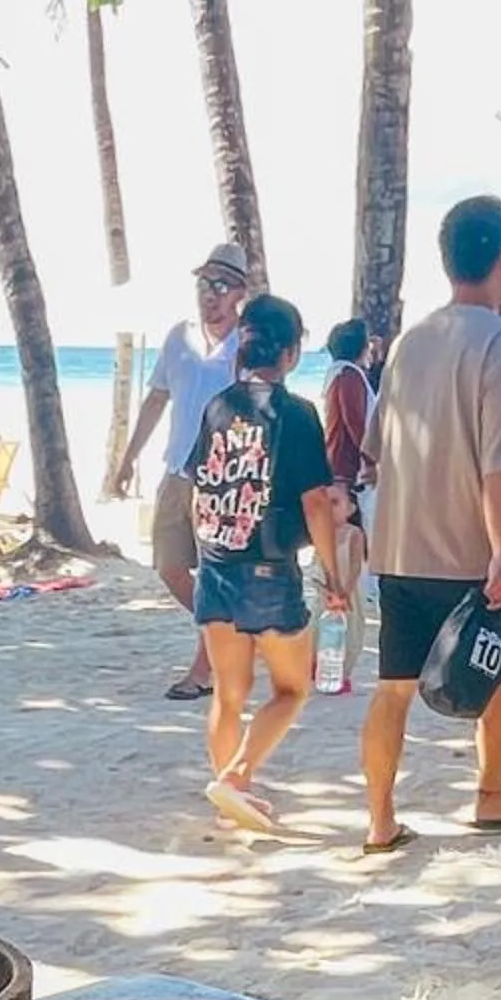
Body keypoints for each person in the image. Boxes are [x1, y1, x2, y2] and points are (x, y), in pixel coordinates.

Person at [357, 195, 501, 855]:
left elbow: (375, 449)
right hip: (470, 550)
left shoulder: (411, 342)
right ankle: (491, 794)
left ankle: (381, 819)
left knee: (393, 688)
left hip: (401, 546)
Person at [182, 293, 347, 831]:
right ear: (293, 352)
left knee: (229, 694)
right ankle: (237, 777)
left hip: (216, 562)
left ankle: (231, 798)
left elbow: (199, 490)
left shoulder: (218, 406)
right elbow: (316, 502)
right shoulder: (296, 414)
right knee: (291, 688)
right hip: (269, 568)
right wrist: (335, 576)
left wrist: (205, 549)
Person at [110, 240, 251, 700]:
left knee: (215, 573)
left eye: (221, 284)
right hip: (176, 469)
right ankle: (228, 631)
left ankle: (203, 669)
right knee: (169, 565)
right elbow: (156, 398)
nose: (210, 292)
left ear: (239, 292)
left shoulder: (246, 347)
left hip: (226, 478)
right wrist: (128, 457)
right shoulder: (179, 336)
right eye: (204, 282)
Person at [321, 318, 378, 693]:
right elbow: (357, 422)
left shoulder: (339, 373)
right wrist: (373, 459)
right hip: (349, 472)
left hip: (343, 470)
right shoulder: (349, 376)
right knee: (353, 547)